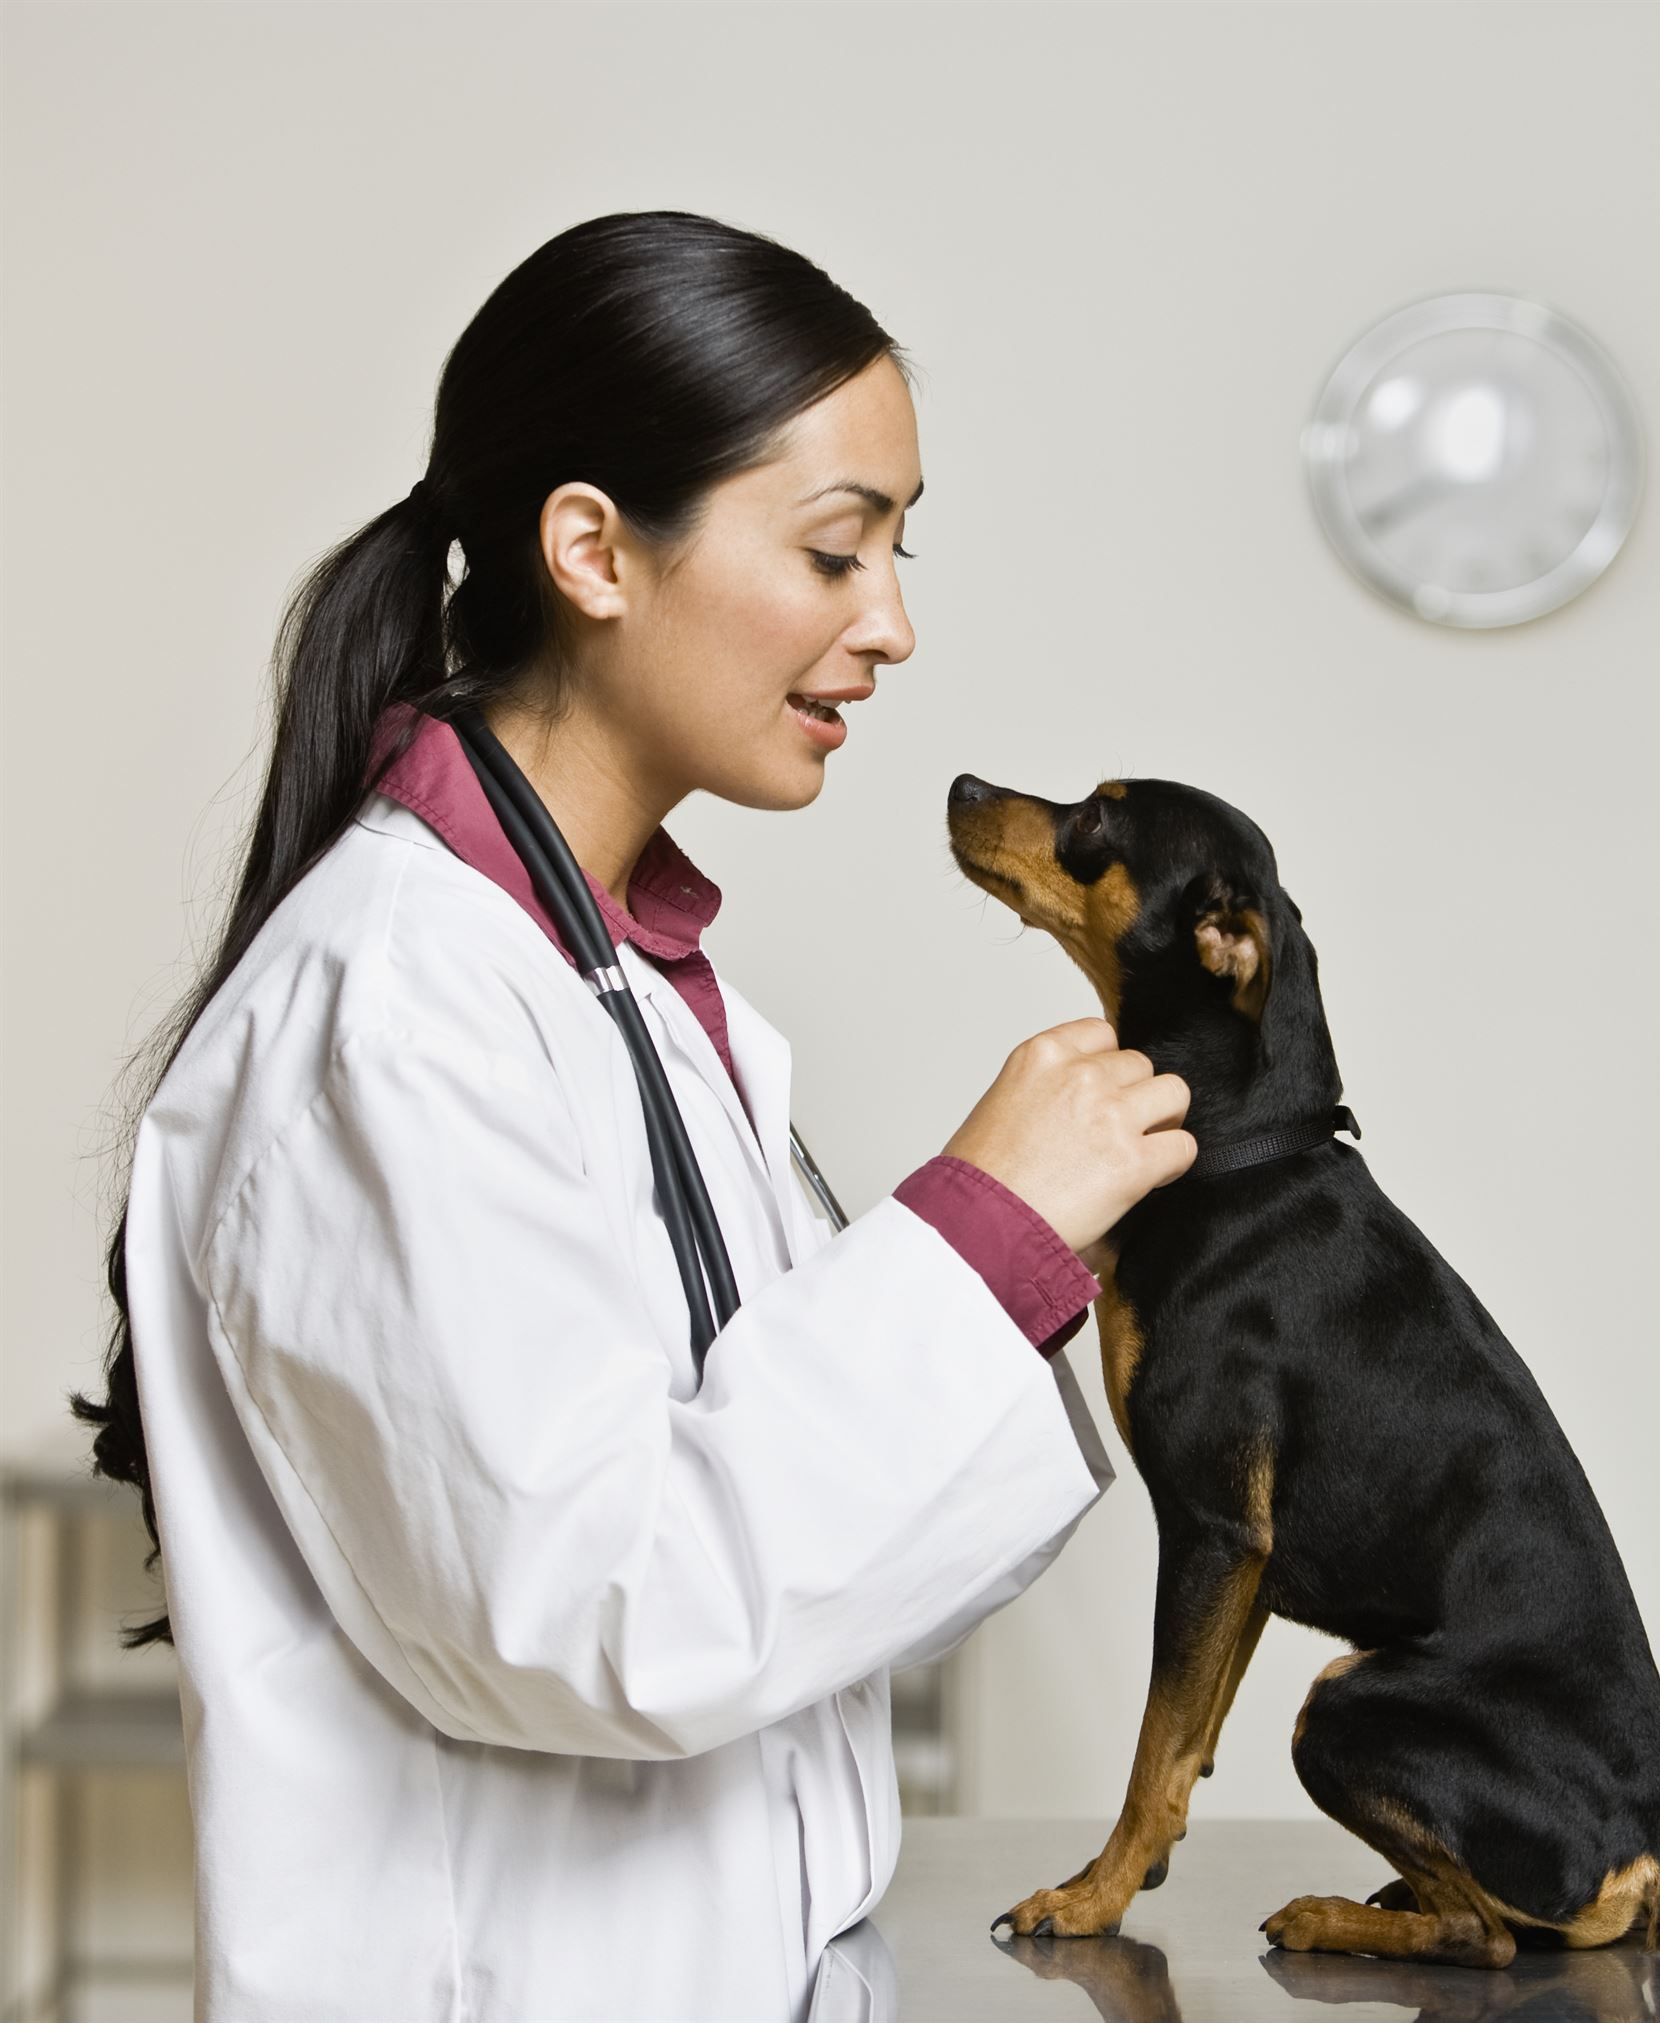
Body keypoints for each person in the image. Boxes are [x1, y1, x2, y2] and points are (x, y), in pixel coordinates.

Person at [71, 210, 1197, 2023]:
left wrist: (1023, 1257)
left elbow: (776, 1570)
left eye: (902, 551)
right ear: (592, 548)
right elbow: (600, 1616)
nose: (893, 626)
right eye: (837, 551)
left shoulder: (645, 993)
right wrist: (979, 1239)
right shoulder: (399, 1010)